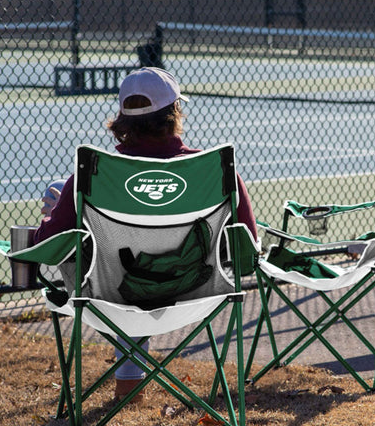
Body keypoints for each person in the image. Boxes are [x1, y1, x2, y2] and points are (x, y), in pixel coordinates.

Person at [35, 67, 258, 403]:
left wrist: (55, 213)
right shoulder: (216, 170)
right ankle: (132, 384)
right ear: (175, 113)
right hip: (195, 295)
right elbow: (247, 250)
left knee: (118, 268)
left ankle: (128, 383)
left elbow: (44, 246)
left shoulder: (91, 176)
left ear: (123, 120)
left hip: (111, 298)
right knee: (145, 269)